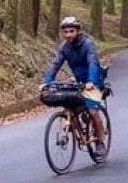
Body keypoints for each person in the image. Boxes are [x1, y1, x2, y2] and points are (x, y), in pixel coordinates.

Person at [40, 16, 107, 156]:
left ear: (78, 31)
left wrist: (91, 81)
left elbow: (92, 63)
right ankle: (75, 122)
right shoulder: (64, 47)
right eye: (65, 32)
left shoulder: (88, 44)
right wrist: (46, 82)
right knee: (69, 103)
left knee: (92, 112)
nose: (68, 35)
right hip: (78, 82)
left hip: (93, 82)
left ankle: (100, 141)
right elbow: (55, 64)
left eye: (71, 31)